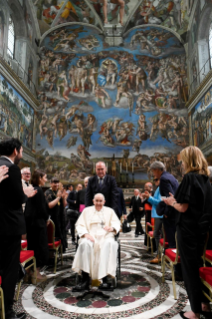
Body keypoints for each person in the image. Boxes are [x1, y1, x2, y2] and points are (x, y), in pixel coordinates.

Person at [164, 146, 212, 319]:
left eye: (183, 160)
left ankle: (195, 312)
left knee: (189, 269)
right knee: (199, 266)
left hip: (188, 230)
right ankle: (204, 304)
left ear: (189, 160)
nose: (182, 164)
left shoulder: (189, 177)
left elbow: (183, 207)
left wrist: (171, 203)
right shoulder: (205, 179)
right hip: (201, 229)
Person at [0, 138, 36, 319]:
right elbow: (16, 199)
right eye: (21, 150)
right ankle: (7, 312)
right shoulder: (12, 169)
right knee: (9, 270)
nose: (21, 153)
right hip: (9, 227)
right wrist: (26, 195)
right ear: (16, 150)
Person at [72, 193, 120, 291]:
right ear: (93, 201)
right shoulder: (86, 210)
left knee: (109, 244)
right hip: (91, 236)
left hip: (106, 236)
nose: (98, 203)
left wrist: (111, 228)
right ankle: (85, 279)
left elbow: (116, 223)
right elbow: (80, 225)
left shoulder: (110, 211)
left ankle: (105, 279)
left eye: (100, 201)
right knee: (85, 244)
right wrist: (86, 234)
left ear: (104, 202)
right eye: (96, 201)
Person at [25, 170, 49, 282]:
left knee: (32, 247)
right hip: (38, 224)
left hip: (31, 224)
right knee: (40, 248)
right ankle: (36, 273)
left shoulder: (32, 189)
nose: (46, 179)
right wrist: (47, 218)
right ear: (39, 178)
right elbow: (42, 209)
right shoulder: (39, 190)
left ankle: (29, 271)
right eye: (45, 177)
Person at [153, 161, 179, 248]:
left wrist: (167, 213)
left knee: (172, 239)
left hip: (171, 213)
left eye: (153, 171)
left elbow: (170, 197)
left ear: (157, 170)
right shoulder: (170, 176)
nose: (153, 174)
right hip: (175, 211)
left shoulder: (163, 179)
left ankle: (174, 260)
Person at [142, 177, 162, 264]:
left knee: (157, 234)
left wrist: (148, 198)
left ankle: (159, 253)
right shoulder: (158, 189)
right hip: (151, 213)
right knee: (153, 233)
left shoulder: (158, 190)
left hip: (156, 214)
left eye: (156, 180)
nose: (155, 181)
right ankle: (156, 251)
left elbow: (158, 202)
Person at [45, 177, 67, 252]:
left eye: (57, 183)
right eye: (54, 183)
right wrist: (58, 197)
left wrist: (63, 198)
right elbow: (49, 205)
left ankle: (61, 250)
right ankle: (53, 254)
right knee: (54, 234)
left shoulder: (59, 191)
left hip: (60, 216)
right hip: (53, 217)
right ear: (50, 183)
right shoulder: (48, 192)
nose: (56, 184)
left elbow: (64, 205)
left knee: (62, 233)